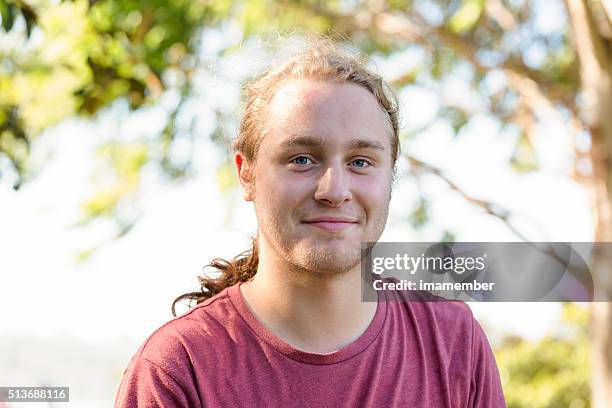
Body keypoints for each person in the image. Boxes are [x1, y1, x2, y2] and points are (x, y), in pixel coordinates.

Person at [114, 38, 506, 407]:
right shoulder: (178, 369)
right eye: (302, 158)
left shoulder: (454, 343)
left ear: (390, 177)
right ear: (245, 174)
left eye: (361, 162)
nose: (334, 190)